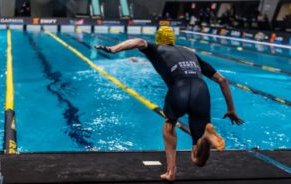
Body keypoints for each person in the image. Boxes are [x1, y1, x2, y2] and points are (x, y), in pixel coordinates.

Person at [95, 26, 243, 181]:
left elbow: (138, 41)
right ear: (173, 39)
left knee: (169, 125)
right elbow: (222, 80)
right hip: (201, 92)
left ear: (159, 39)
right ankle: (205, 138)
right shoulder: (190, 53)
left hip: (179, 90)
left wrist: (114, 49)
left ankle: (171, 172)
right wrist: (231, 109)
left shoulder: (157, 49)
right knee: (197, 160)